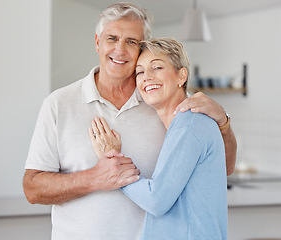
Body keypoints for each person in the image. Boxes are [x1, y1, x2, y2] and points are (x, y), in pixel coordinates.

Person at [23, 3, 236, 240]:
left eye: (131, 42)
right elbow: (32, 189)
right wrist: (95, 178)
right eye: (112, 38)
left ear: (141, 48)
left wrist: (223, 122)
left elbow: (223, 167)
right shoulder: (59, 104)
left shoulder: (164, 102)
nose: (120, 49)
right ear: (97, 42)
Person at [90, 37, 228, 239]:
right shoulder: (186, 124)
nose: (147, 77)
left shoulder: (188, 125)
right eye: (140, 71)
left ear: (181, 76)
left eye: (157, 68)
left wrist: (114, 162)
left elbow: (156, 200)